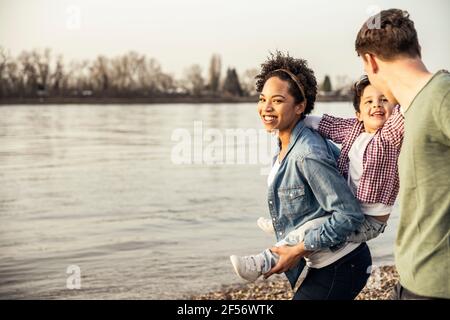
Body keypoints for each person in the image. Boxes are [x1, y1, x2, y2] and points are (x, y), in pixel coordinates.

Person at [233, 75, 403, 284]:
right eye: (369, 101)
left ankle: (262, 261)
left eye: (384, 100)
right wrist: (298, 119)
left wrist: (406, 81)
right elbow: (329, 124)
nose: (376, 105)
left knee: (306, 231)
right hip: (350, 214)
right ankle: (287, 224)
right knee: (308, 225)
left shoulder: (389, 137)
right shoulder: (354, 130)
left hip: (368, 221)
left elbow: (406, 109)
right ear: (358, 113)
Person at [230, 51, 372, 300]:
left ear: (300, 106)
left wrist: (298, 249)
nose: (266, 108)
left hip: (341, 262)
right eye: (262, 99)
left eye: (277, 100)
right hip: (327, 261)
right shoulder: (286, 143)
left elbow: (349, 215)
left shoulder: (306, 153)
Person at [355, 8, 449, 299]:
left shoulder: (442, 96)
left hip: (437, 286)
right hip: (413, 279)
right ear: (417, 48)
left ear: (371, 61)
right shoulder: (415, 107)